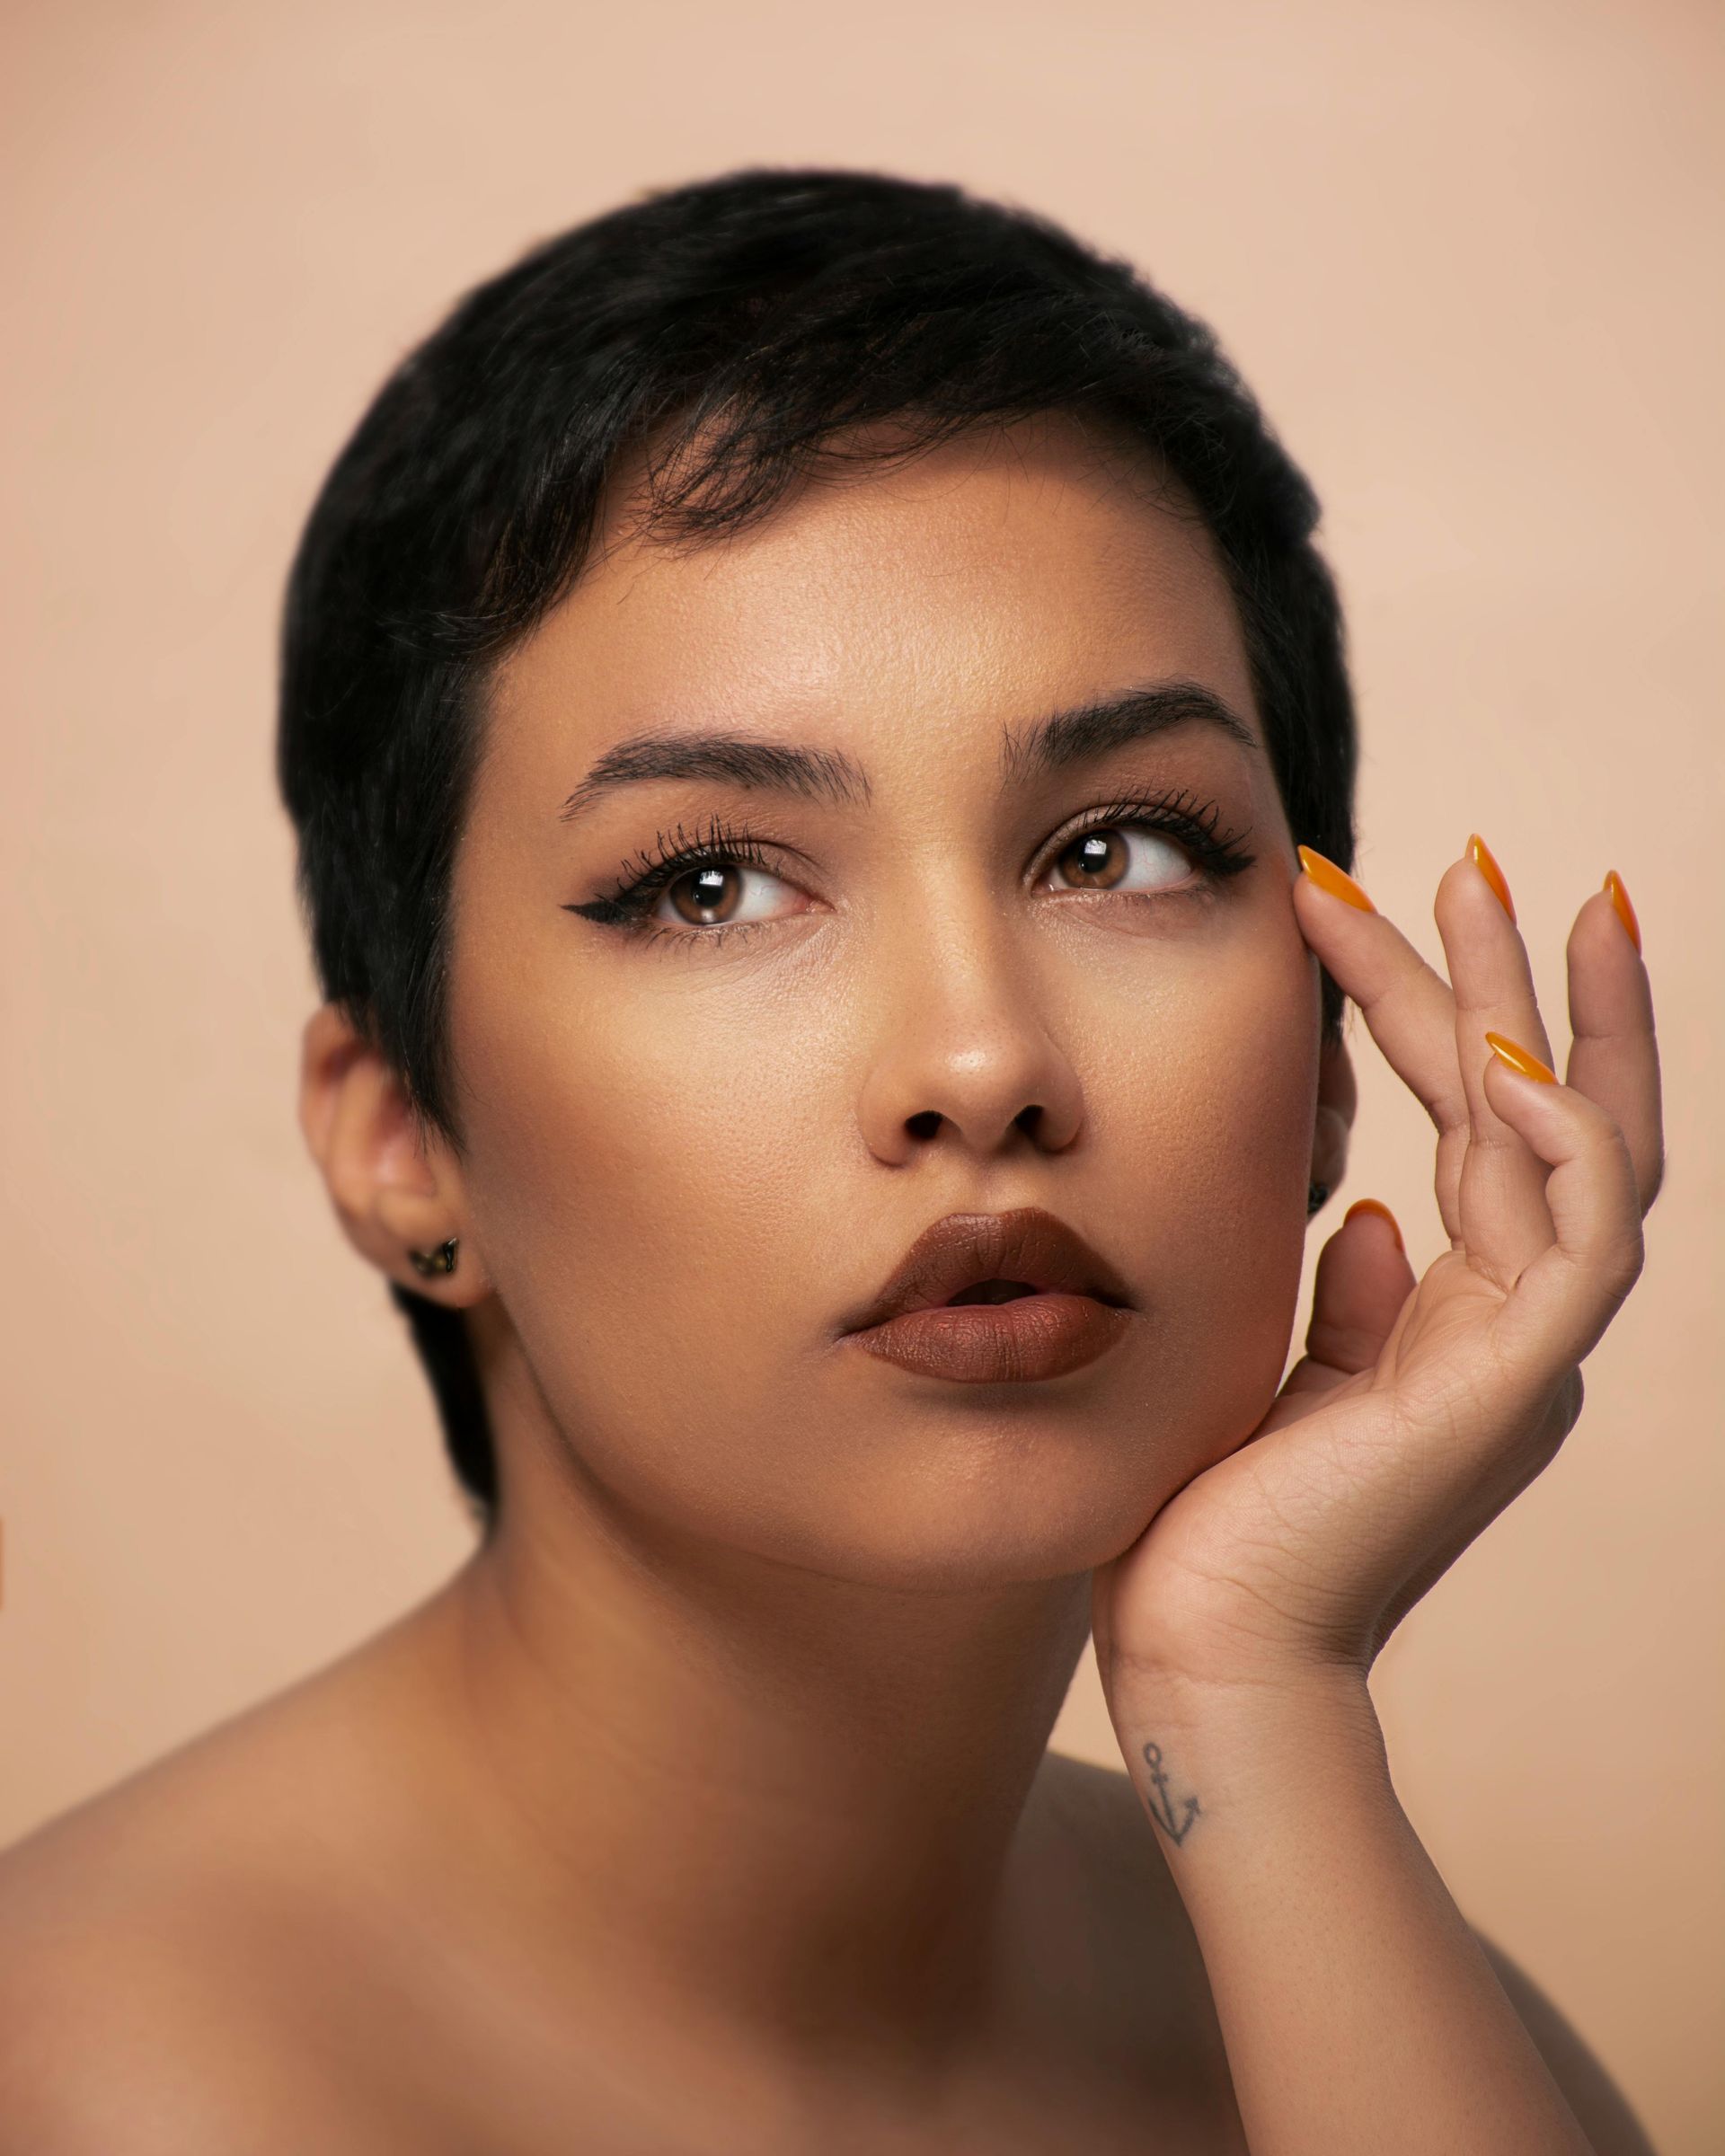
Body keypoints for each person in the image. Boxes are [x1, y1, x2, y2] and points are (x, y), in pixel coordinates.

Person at [0, 168, 1663, 2155]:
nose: (982, 1062)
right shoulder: (97, 2085)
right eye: (710, 882)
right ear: (402, 1143)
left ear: (1324, 1064)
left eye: (1121, 848)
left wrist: (1257, 1699)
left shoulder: (1398, 2019)